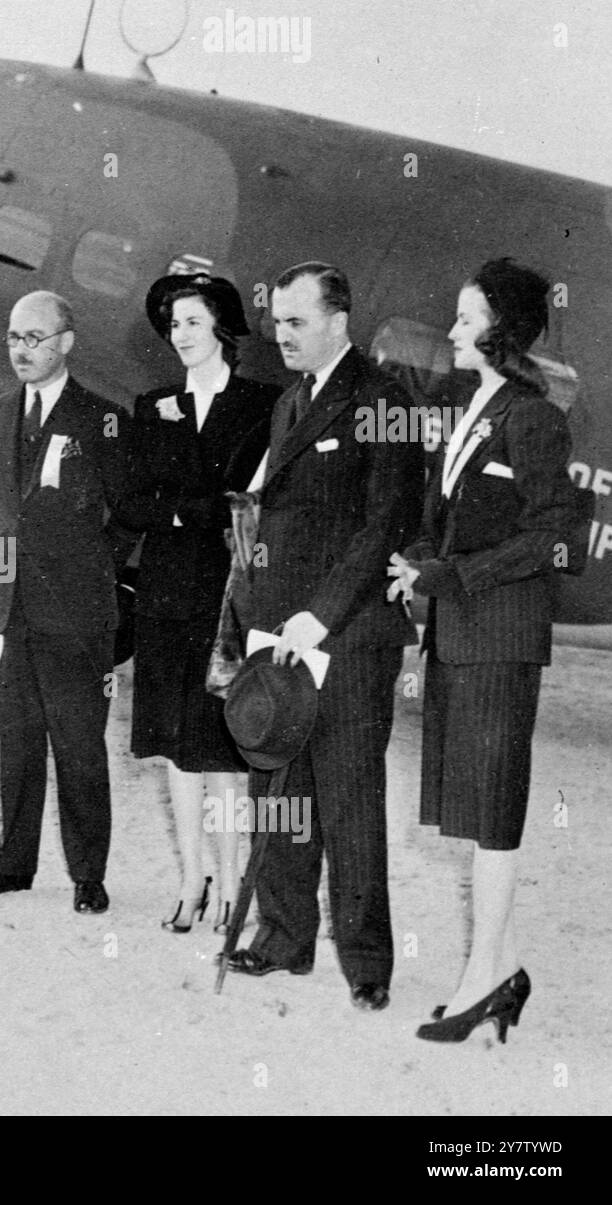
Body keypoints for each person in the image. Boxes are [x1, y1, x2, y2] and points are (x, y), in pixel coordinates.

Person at [225, 261, 423, 1011]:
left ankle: (368, 962)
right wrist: (257, 612)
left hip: (348, 639)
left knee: (348, 798)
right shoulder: (288, 404)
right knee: (278, 789)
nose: (282, 335)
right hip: (279, 636)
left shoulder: (386, 401)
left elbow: (387, 521)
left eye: (297, 322)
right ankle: (283, 936)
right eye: (276, 321)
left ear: (339, 322)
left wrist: (323, 614)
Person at [388, 258, 576, 1042]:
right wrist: (418, 563)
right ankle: (502, 967)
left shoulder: (533, 417)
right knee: (473, 810)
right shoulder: (470, 406)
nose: (453, 331)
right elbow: (450, 513)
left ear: (499, 329)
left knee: (495, 813)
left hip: (500, 639)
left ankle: (486, 977)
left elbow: (552, 530)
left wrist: (454, 576)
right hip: (461, 637)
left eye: (466, 319)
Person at [0, 290, 129, 915]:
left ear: (66, 343)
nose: (22, 350)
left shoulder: (104, 418)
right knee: (17, 744)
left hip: (76, 614)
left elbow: (128, 516)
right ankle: (12, 866)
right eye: (13, 338)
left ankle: (88, 874)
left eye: (35, 338)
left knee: (80, 746)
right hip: (8, 613)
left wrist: (87, 566)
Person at [116, 273, 276, 934]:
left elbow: (253, 505)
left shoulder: (263, 405)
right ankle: (191, 882)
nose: (179, 335)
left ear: (221, 326)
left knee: (221, 754)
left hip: (225, 603)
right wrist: (194, 514)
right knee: (175, 751)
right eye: (172, 324)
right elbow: (129, 501)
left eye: (190, 321)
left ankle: (235, 883)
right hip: (162, 598)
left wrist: (180, 512)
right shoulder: (152, 404)